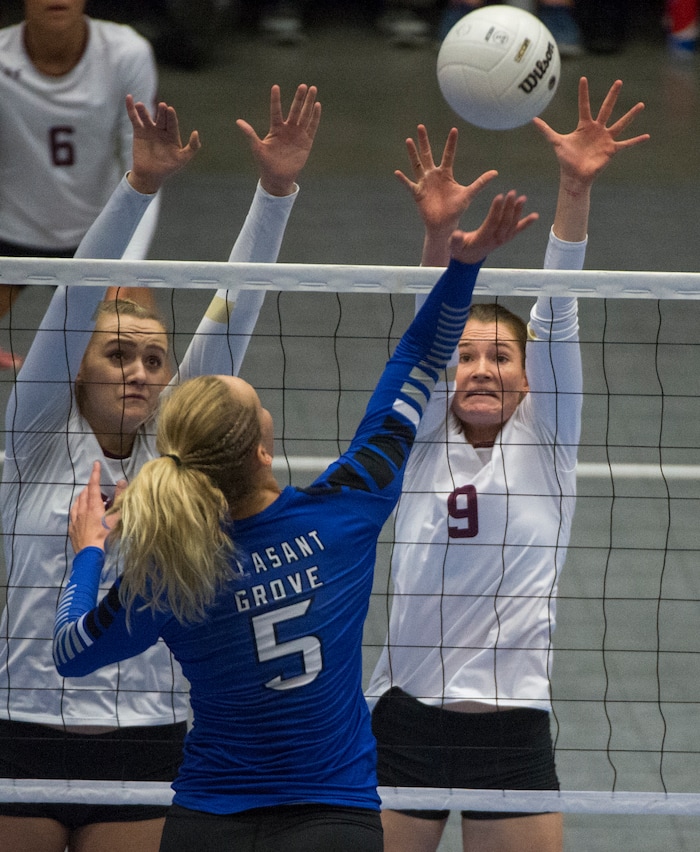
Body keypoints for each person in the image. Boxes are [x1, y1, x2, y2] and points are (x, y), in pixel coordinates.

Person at [51, 186, 538, 851]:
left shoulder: (168, 574)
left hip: (208, 822)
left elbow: (72, 652)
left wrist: (88, 552)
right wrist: (466, 265)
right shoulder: (345, 513)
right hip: (330, 821)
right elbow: (422, 360)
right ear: (261, 447)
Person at [0, 82, 321, 852]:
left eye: (155, 359)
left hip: (145, 731)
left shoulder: (179, 453)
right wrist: (139, 185)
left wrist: (275, 192)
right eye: (120, 355)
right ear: (77, 373)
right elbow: (75, 296)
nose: (142, 372)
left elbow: (235, 308)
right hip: (22, 724)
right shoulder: (37, 437)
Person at [366, 77, 649, 852]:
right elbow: (422, 341)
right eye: (467, 357)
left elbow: (558, 310)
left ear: (529, 377)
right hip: (404, 720)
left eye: (500, 355)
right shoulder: (421, 440)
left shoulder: (547, 441)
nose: (481, 368)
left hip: (510, 729)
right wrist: (438, 241)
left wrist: (572, 186)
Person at [0, 0, 159, 370]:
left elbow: (144, 165)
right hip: (9, 239)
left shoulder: (126, 54)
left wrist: (126, 264)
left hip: (99, 241)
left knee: (141, 351)